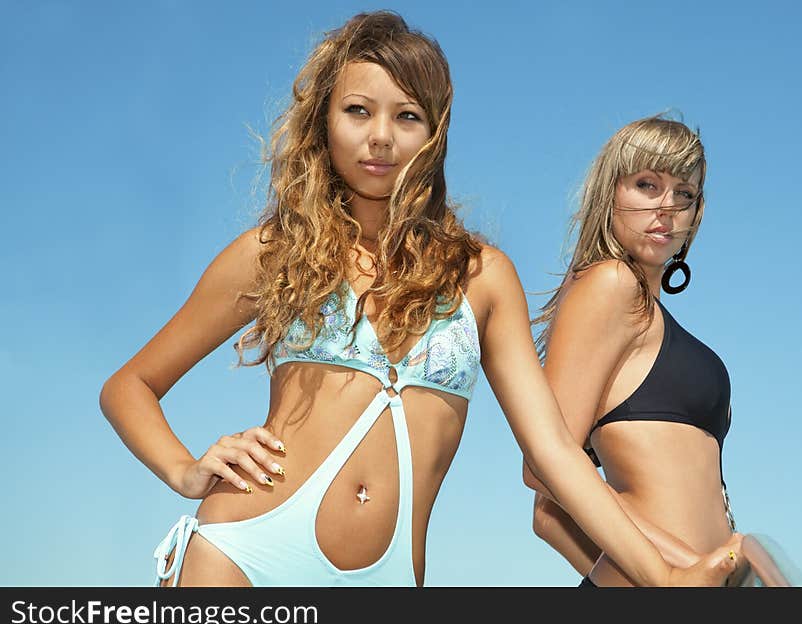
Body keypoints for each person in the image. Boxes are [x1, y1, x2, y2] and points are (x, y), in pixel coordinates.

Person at [100, 13, 741, 588]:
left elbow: (553, 457)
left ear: (434, 133)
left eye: (406, 116)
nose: (380, 136)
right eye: (358, 110)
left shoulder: (483, 275)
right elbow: (129, 384)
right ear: (324, 120)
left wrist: (663, 579)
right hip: (244, 553)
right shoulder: (273, 252)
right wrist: (185, 470)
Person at [526, 115, 741, 586]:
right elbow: (544, 472)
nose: (667, 207)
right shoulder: (609, 284)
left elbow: (548, 513)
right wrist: (672, 573)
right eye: (648, 184)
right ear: (611, 193)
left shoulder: (646, 312)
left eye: (684, 193)